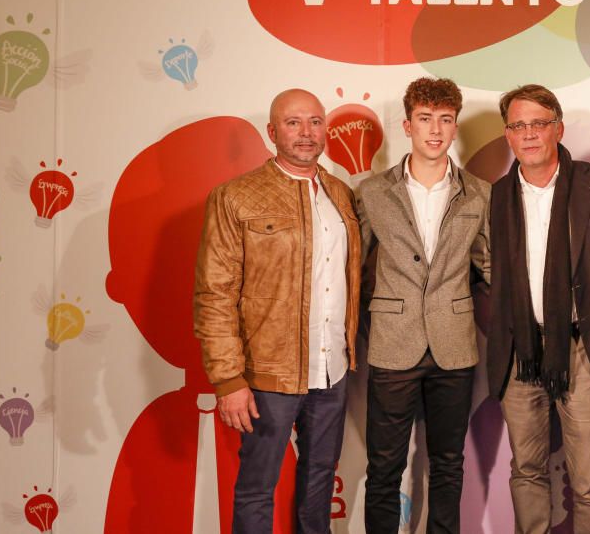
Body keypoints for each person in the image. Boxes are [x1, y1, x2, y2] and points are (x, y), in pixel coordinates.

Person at [193, 89, 362, 534]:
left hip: (333, 371)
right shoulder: (236, 197)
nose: (306, 133)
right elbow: (214, 293)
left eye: (314, 122)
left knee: (320, 481)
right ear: (272, 132)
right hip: (267, 374)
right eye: (293, 123)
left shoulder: (342, 196)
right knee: (256, 488)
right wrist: (228, 380)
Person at [357, 77, 490, 534]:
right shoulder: (373, 192)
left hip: (454, 345)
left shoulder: (479, 194)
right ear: (408, 125)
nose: (435, 130)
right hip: (393, 344)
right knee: (384, 468)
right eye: (426, 119)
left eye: (445, 120)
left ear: (455, 128)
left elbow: (491, 267)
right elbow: (350, 270)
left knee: (448, 465)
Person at [486, 84, 590, 533]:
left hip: (582, 348)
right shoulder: (496, 196)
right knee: (527, 470)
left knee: (589, 479)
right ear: (507, 135)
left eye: (538, 123)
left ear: (557, 128)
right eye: (518, 125)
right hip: (520, 351)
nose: (529, 134)